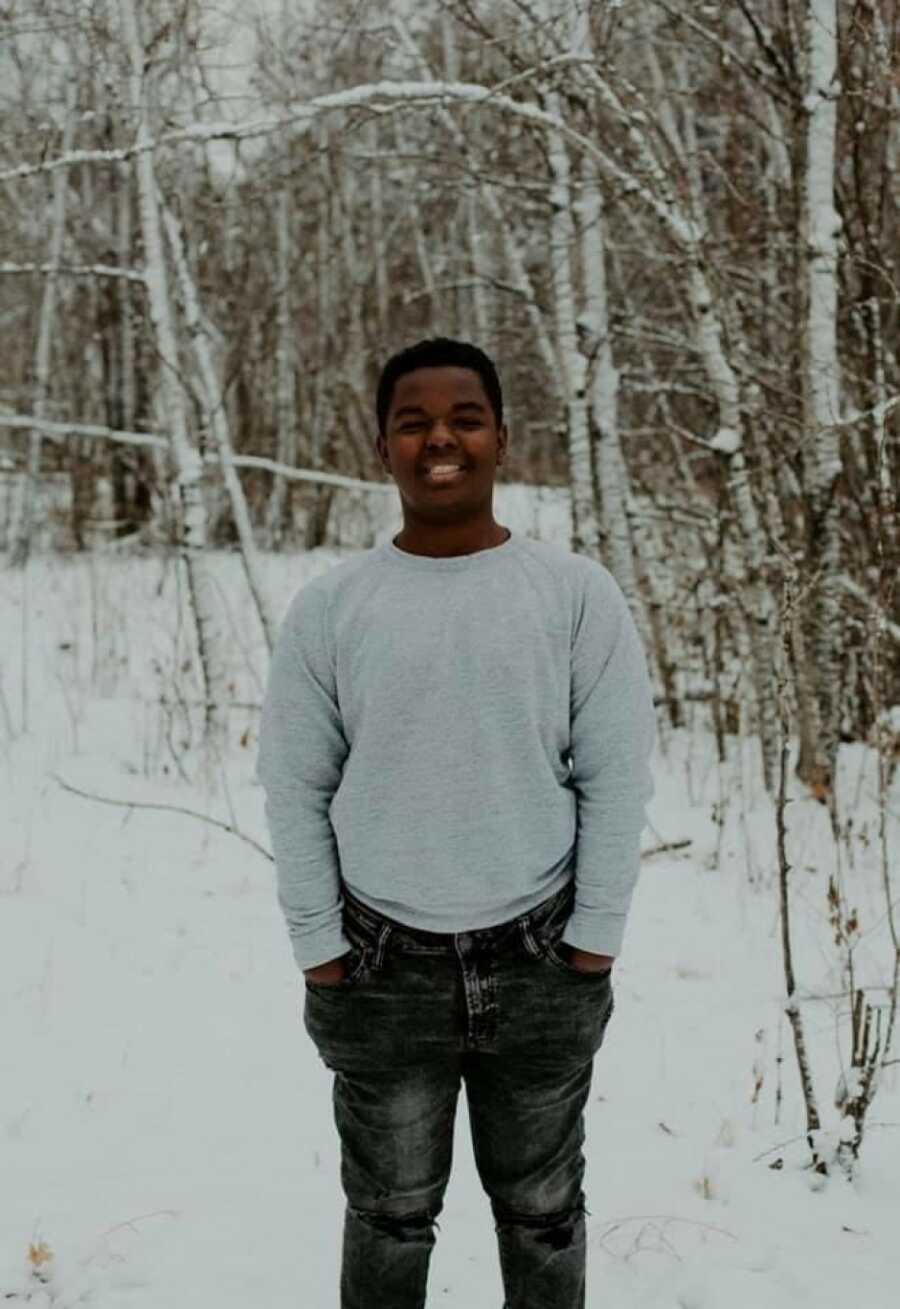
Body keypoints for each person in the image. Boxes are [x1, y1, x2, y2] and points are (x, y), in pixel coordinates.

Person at [257, 338, 656, 1309]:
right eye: (413, 419)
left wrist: (594, 939)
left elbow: (617, 774)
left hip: (542, 960)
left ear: (502, 439)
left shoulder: (572, 595)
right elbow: (294, 785)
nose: (440, 436)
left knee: (544, 1211)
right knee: (390, 1215)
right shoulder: (333, 608)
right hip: (382, 968)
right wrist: (320, 947)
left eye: (465, 416)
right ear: (383, 446)